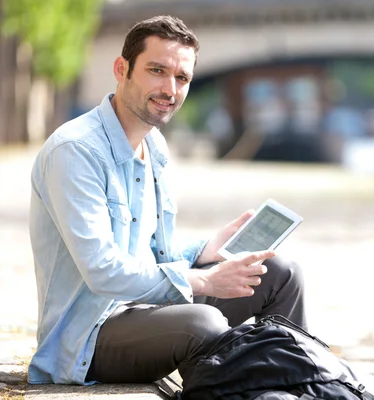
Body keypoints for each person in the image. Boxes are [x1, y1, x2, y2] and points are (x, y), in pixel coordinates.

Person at [28, 15, 306, 387]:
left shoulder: (153, 145)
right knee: (203, 322)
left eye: (182, 78)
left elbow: (153, 250)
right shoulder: (76, 151)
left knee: (281, 274)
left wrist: (207, 248)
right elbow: (103, 271)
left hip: (152, 309)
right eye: (157, 71)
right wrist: (203, 280)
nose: (169, 89)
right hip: (88, 337)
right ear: (121, 69)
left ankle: (302, 387)